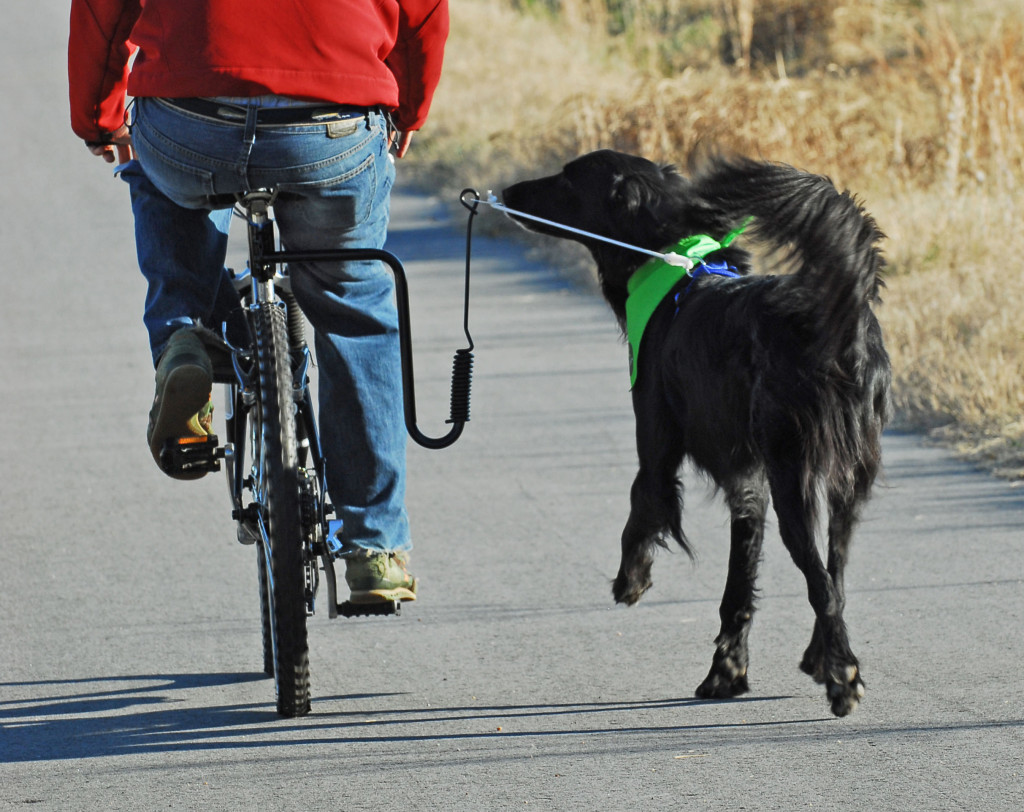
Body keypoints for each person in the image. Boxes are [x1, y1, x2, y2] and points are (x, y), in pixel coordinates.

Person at [68, 0, 449, 605]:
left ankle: (184, 336)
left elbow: (101, 10)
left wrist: (98, 118)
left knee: (158, 168)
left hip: (190, 121)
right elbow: (423, 15)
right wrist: (408, 111)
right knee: (353, 308)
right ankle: (374, 548)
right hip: (329, 128)